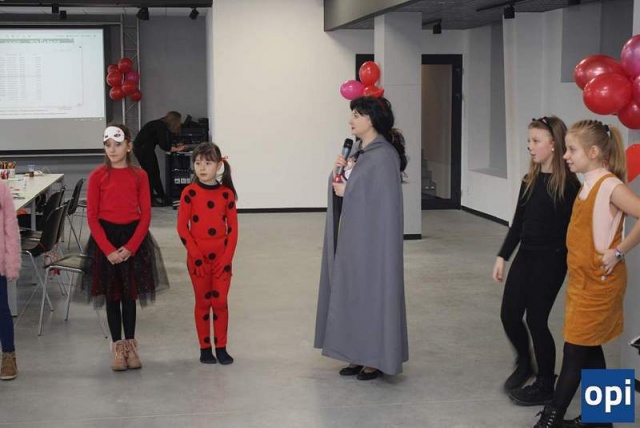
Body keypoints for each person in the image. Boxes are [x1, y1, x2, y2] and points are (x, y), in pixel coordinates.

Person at [534, 120, 640, 428]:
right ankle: (603, 419)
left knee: (575, 350)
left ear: (593, 152)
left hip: (600, 283)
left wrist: (618, 251)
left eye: (572, 149)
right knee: (591, 346)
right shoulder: (588, 184)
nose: (566, 155)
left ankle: (551, 419)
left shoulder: (609, 185)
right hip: (583, 281)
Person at [314, 96, 409, 380]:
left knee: (372, 294)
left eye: (356, 115)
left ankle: (375, 359)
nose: (351, 120)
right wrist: (337, 172)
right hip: (354, 238)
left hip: (374, 242)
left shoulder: (384, 156)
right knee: (353, 292)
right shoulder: (360, 152)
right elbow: (347, 187)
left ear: (371, 119)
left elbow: (383, 203)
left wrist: (351, 190)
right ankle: (356, 353)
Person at [492, 116, 580, 405]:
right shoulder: (529, 181)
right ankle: (526, 363)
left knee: (537, 320)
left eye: (535, 140)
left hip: (552, 261)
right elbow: (518, 223)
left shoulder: (570, 186)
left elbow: (576, 232)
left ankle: (546, 383)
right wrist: (503, 255)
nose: (529, 146)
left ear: (554, 144)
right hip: (527, 255)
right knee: (509, 314)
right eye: (529, 140)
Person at [83, 124, 168, 372]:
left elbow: (146, 214)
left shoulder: (140, 176)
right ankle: (117, 347)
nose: (112, 149)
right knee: (112, 296)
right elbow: (92, 216)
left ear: (129, 146)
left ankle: (131, 345)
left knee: (129, 296)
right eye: (107, 145)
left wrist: (131, 247)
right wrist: (108, 249)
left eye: (117, 144)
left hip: (132, 239)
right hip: (106, 240)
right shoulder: (97, 176)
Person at [176, 142, 238, 365]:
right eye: (198, 163)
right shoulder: (189, 193)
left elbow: (233, 230)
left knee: (220, 302)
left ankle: (221, 347)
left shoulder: (226, 194)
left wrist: (227, 258)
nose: (202, 168)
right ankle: (205, 348)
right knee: (203, 302)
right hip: (198, 261)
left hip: (221, 259)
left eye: (208, 163)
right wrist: (195, 255)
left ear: (219, 165)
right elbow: (182, 228)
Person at [133, 111, 184, 206]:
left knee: (154, 173)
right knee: (151, 174)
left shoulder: (159, 124)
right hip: (143, 150)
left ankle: (161, 196)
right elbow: (164, 145)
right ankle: (152, 199)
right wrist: (178, 149)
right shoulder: (161, 126)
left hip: (143, 149)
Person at [0, 180, 20, 381]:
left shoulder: (1, 189)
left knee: (2, 310)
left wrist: (11, 262)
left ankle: (8, 355)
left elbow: (11, 230)